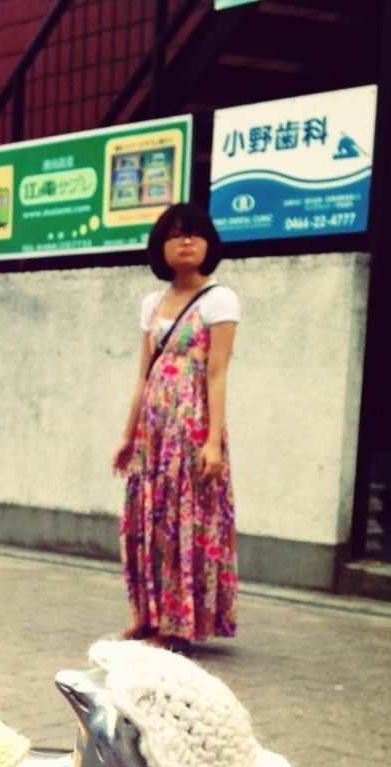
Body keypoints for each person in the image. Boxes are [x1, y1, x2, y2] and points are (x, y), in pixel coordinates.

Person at [112, 202, 239, 652]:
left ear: (208, 244)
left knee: (183, 520)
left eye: (195, 234)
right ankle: (147, 616)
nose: (185, 241)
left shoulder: (220, 299)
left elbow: (218, 373)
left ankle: (180, 623)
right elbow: (143, 374)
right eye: (175, 234)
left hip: (191, 426)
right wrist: (128, 436)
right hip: (152, 429)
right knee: (148, 519)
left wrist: (212, 443)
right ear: (161, 246)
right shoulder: (153, 303)